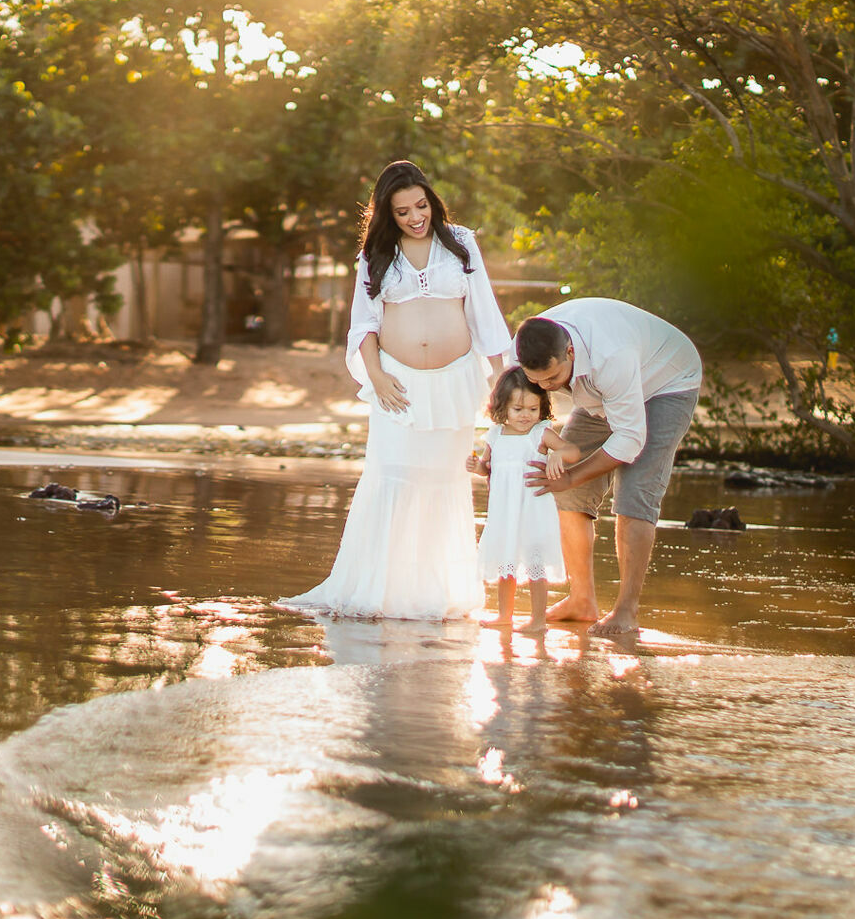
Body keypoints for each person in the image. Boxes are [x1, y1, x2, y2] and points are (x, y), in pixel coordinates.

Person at [281, 160, 513, 619]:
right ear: (388, 213)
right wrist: (377, 377)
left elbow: (485, 314)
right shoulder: (375, 254)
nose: (415, 217)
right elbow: (364, 324)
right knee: (391, 478)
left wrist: (504, 382)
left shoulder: (461, 243)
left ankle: (434, 594)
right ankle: (377, 591)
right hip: (396, 385)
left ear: (432, 200)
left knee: (442, 483)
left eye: (421, 205)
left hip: (453, 385)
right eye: (403, 210)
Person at [514, 299, 703, 638]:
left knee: (633, 495)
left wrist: (573, 473)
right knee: (563, 489)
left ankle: (626, 611)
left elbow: (629, 439)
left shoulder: (609, 356)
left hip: (664, 382)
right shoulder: (529, 344)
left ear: (569, 352)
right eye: (536, 379)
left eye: (553, 377)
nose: (546, 386)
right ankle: (582, 600)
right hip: (601, 394)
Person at [469, 366, 579, 627]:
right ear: (502, 408)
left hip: (534, 510)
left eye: (533, 409)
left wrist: (556, 455)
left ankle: (538, 619)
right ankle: (504, 616)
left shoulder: (540, 434)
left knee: (534, 563)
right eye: (518, 410)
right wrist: (478, 468)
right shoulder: (495, 435)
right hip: (504, 511)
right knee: (506, 563)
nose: (526, 416)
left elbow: (573, 451)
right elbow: (488, 467)